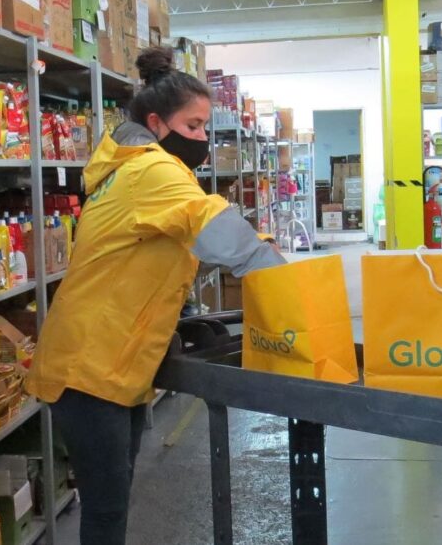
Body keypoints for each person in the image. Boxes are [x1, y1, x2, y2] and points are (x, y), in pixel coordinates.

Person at [26, 47, 285, 545]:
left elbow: (173, 248)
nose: (203, 138)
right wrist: (291, 284)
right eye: (193, 126)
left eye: (205, 127)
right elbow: (215, 228)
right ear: (155, 123)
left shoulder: (136, 169)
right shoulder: (151, 171)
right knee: (106, 509)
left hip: (111, 359)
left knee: (113, 500)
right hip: (90, 366)